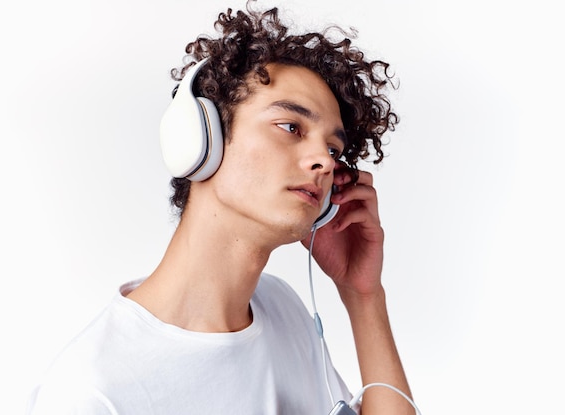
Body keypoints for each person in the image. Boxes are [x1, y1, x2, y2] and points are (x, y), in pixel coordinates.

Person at [26, 2, 415, 414]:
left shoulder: (283, 311)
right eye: (291, 127)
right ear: (199, 139)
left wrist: (363, 296)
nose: (323, 160)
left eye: (332, 148)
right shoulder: (92, 393)